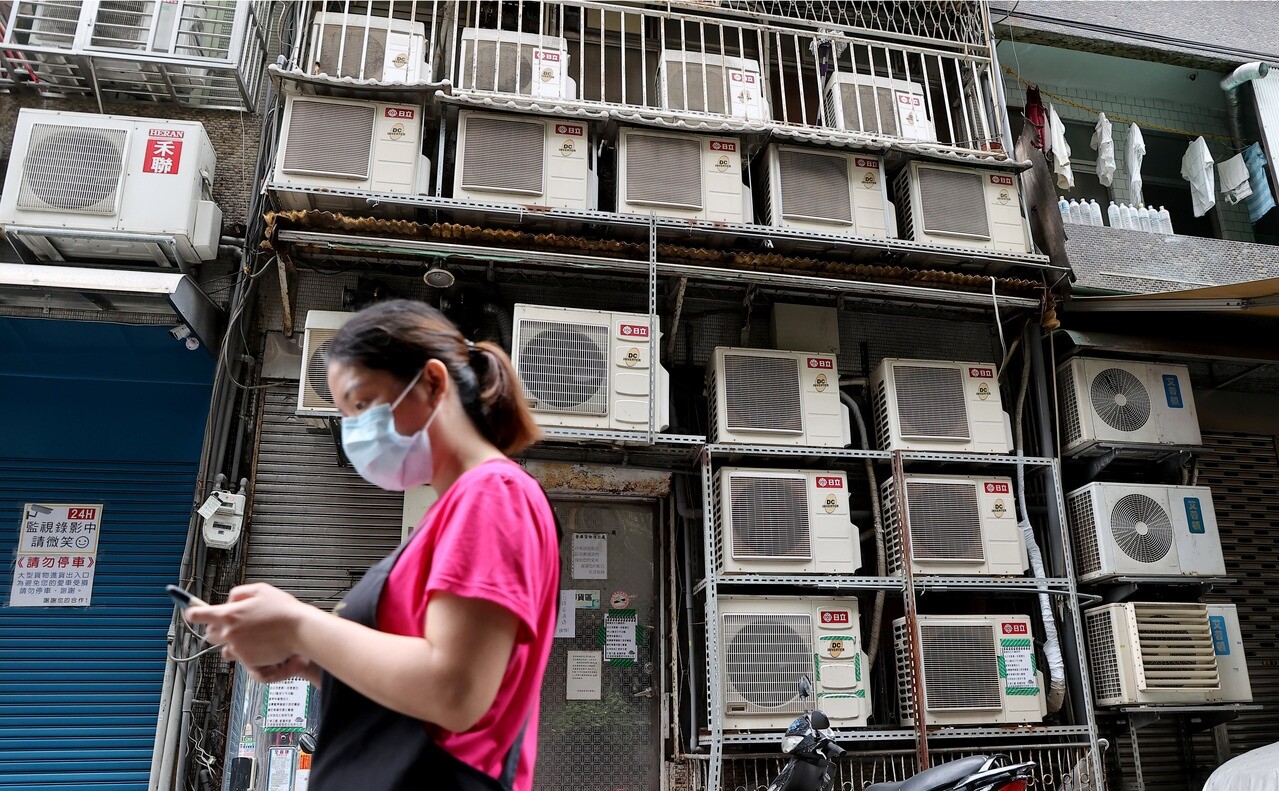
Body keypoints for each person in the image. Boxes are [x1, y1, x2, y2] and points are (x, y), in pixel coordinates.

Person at [186, 300, 560, 791]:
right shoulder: (452, 512)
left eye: (362, 404)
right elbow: (416, 690)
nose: (355, 431)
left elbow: (455, 693)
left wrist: (301, 624)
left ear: (431, 382)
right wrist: (311, 662)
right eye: (346, 415)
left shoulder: (492, 495)